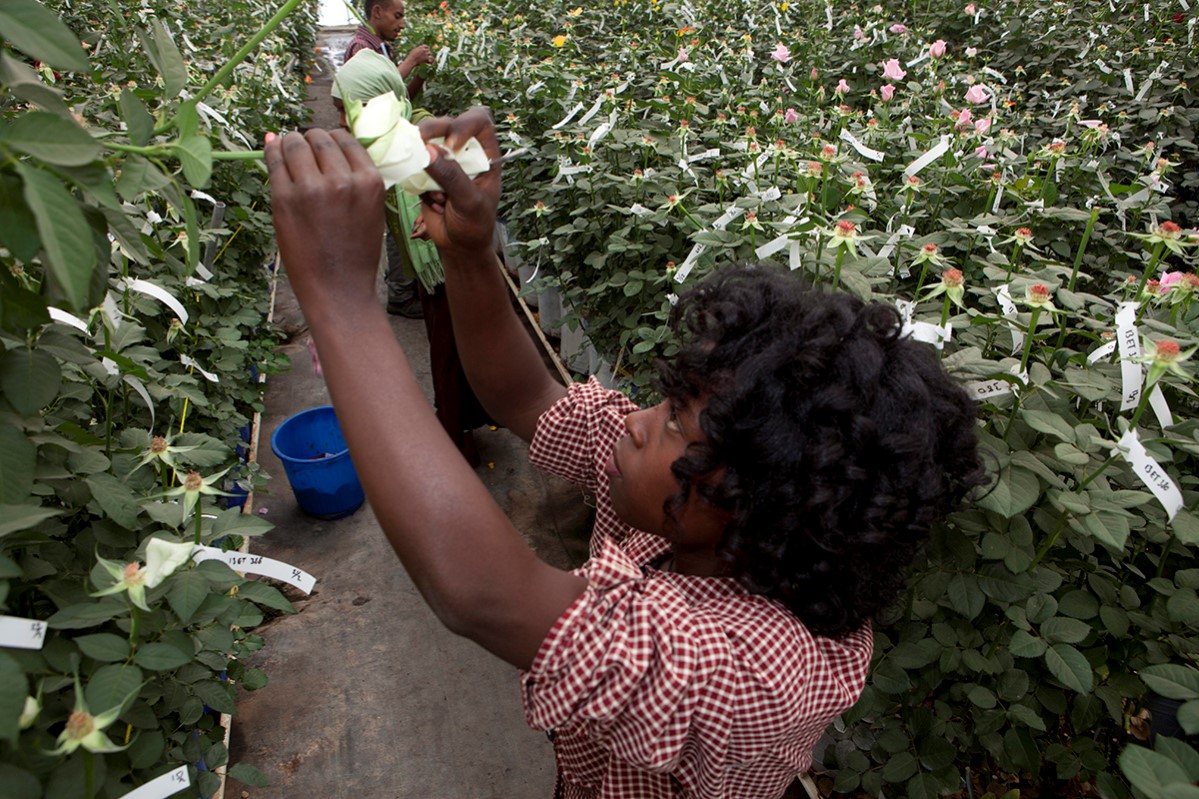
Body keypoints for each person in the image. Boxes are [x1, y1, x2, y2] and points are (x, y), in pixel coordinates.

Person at [264, 111, 986, 798]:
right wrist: (471, 249)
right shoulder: (684, 514)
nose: (638, 422)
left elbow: (478, 592)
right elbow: (524, 395)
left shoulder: (759, 669)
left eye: (676, 421)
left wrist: (341, 302)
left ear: (764, 504)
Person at [330, 49, 488, 464]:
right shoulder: (386, 143)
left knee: (450, 353)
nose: (343, 122)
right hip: (430, 265)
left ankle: (457, 439)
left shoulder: (416, 137)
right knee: (449, 349)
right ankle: (461, 428)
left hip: (443, 263)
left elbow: (463, 180)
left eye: (349, 109)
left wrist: (434, 206)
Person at [343, 0, 436, 318]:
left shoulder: (380, 48)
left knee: (402, 217)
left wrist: (419, 79)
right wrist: (411, 61)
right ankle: (399, 293)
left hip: (389, 143)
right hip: (379, 147)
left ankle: (404, 286)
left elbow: (396, 99)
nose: (403, 24)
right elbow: (370, 100)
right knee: (399, 219)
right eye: (398, 16)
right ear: (377, 11)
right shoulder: (361, 49)